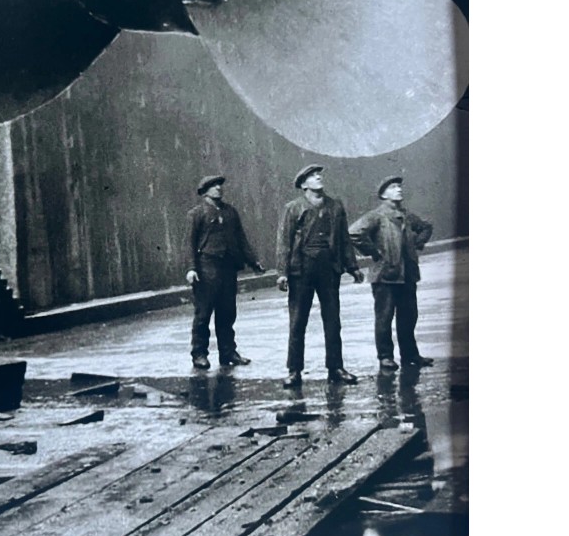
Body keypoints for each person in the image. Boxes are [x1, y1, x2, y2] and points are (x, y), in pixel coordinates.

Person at [275, 165, 364, 388]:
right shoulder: (293, 208)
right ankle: (294, 371)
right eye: (312, 176)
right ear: (304, 185)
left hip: (328, 269)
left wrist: (352, 267)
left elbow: (343, 238)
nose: (318, 177)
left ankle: (336, 368)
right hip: (301, 270)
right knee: (298, 322)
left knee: (333, 321)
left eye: (319, 174)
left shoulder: (335, 206)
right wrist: (282, 273)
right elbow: (284, 242)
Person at [349, 175, 434, 371]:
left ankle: (410, 355)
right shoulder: (376, 216)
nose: (399, 190)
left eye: (399, 187)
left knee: (409, 316)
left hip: (408, 274)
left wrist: (418, 242)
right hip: (385, 275)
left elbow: (426, 227)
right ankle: (385, 357)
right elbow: (354, 233)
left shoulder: (406, 215)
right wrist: (374, 252)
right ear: (384, 194)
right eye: (394, 187)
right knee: (384, 318)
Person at [185, 175, 265, 370]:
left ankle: (228, 352)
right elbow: (189, 243)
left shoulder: (230, 212)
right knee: (203, 314)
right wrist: (191, 268)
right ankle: (199, 354)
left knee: (227, 313)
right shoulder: (196, 214)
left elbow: (241, 240)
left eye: (220, 185)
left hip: (228, 268)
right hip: (206, 268)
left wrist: (253, 262)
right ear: (204, 191)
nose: (219, 188)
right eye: (213, 186)